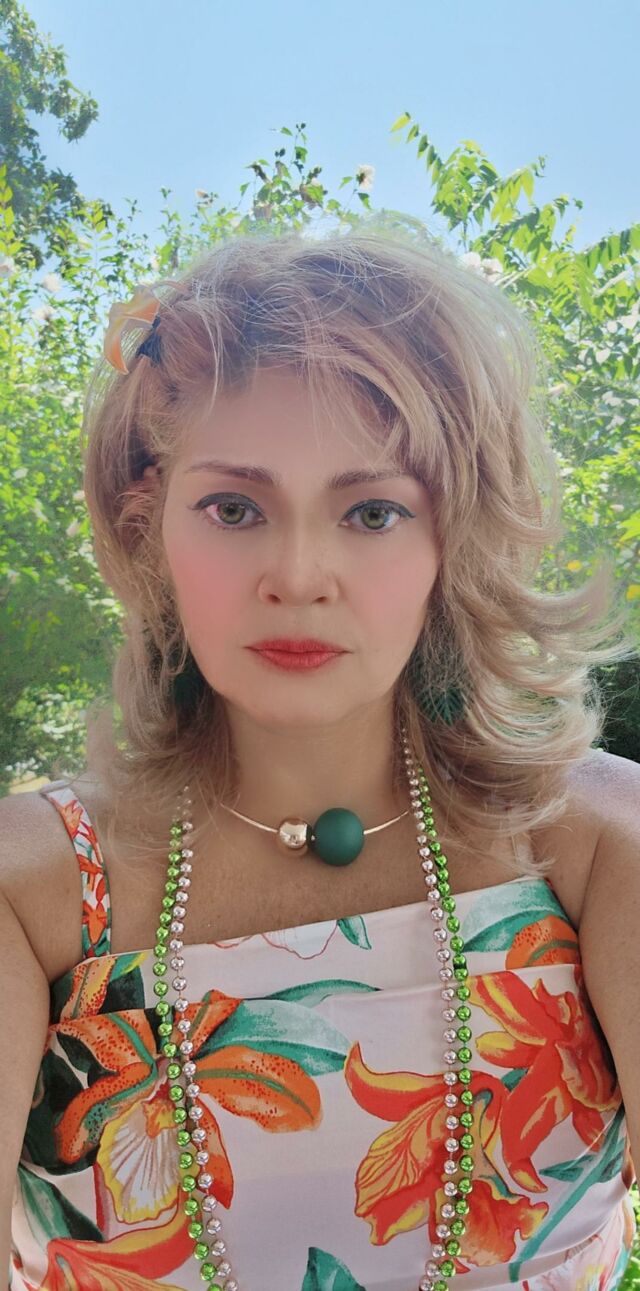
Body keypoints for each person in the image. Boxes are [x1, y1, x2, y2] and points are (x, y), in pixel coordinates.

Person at [2, 226, 639, 1291]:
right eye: (235, 508)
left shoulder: (596, 847)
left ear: (452, 537)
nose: (298, 573)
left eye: (372, 511)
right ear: (148, 524)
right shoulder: (32, 891)